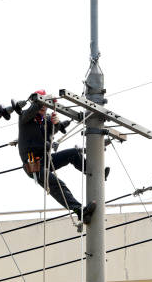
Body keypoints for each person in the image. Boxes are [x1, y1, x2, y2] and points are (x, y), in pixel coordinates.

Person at [17, 90, 96, 227]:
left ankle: (94, 172)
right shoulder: (25, 117)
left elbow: (50, 135)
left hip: (46, 159)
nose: (43, 107)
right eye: (42, 104)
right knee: (57, 184)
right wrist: (43, 99)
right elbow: (34, 107)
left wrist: (56, 124)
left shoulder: (46, 120)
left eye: (45, 105)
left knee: (73, 153)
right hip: (34, 164)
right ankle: (80, 211)